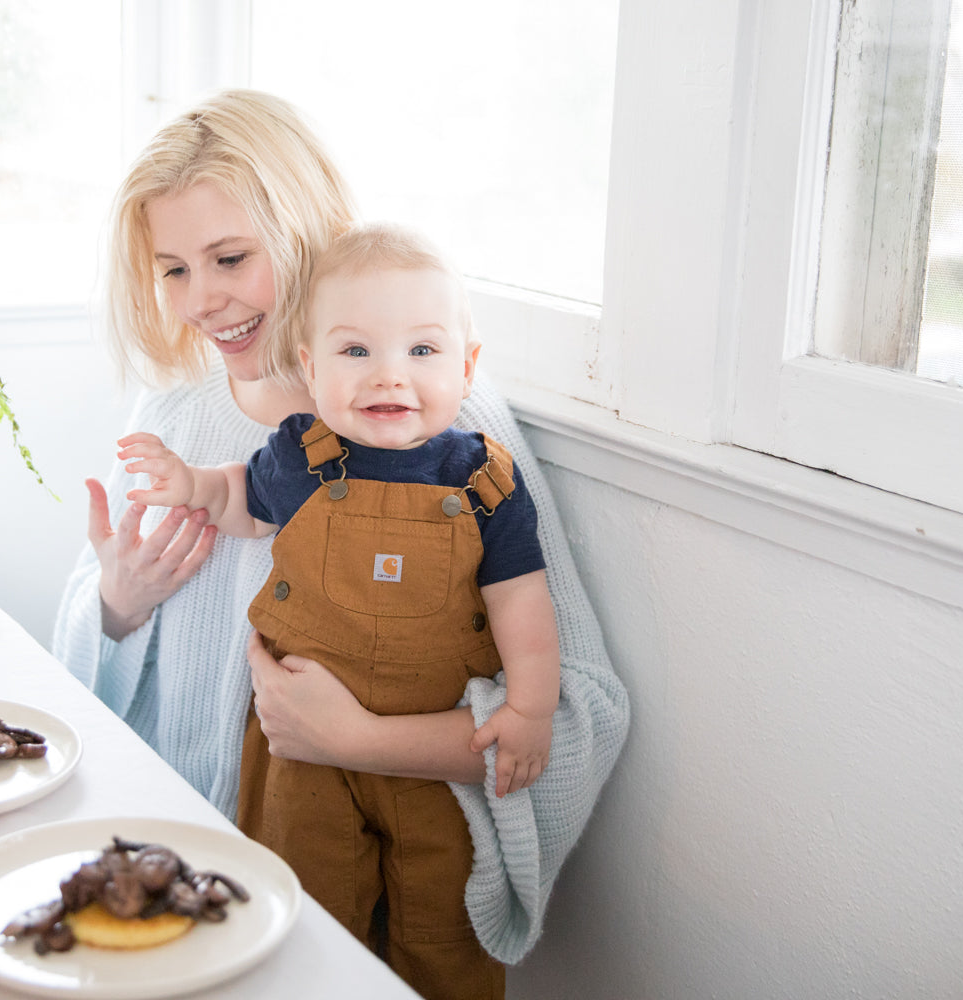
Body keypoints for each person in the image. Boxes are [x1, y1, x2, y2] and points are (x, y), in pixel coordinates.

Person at [52, 89, 629, 995]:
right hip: (184, 888)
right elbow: (82, 676)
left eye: (231, 257)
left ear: (308, 231)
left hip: (376, 905)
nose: (203, 300)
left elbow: (578, 709)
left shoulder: (449, 434)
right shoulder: (173, 417)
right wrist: (118, 604)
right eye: (172, 270)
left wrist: (358, 740)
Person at [117, 222, 560, 997]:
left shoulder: (485, 481)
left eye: (422, 352)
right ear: (310, 365)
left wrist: (529, 709)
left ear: (468, 365)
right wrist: (187, 483)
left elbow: (521, 602)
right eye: (356, 352)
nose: (389, 376)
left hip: (427, 768)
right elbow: (237, 500)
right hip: (298, 761)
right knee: (304, 906)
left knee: (442, 921)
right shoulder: (301, 456)